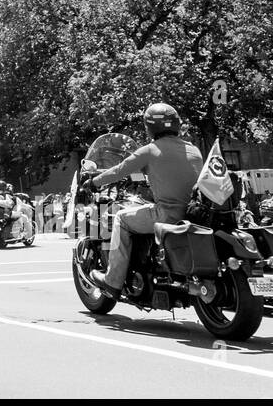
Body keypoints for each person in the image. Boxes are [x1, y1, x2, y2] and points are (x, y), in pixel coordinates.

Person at [86, 104, 203, 297]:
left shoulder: (149, 151)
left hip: (167, 214)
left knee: (121, 219)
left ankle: (113, 281)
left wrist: (94, 181)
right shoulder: (194, 150)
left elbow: (119, 170)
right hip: (193, 215)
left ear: (149, 127)